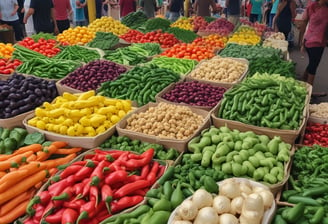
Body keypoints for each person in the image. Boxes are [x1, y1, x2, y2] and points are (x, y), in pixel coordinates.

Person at [299, 0, 328, 90]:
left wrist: (302, 41)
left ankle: (302, 84)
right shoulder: (324, 9)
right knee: (313, 67)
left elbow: (304, 23)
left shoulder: (311, 6)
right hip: (317, 43)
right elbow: (304, 23)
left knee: (311, 64)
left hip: (309, 40)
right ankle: (308, 93)